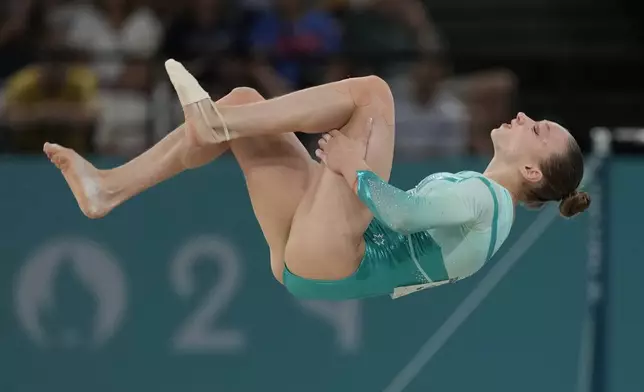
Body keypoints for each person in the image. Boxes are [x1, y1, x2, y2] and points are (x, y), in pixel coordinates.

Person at [44, 60, 590, 300]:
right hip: (310, 265)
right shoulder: (486, 204)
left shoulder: (487, 198)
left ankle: (214, 125)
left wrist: (356, 170)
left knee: (374, 92)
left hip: (338, 256)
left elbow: (398, 216)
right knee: (244, 103)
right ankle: (108, 188)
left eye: (537, 128)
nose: (524, 117)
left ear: (530, 171)